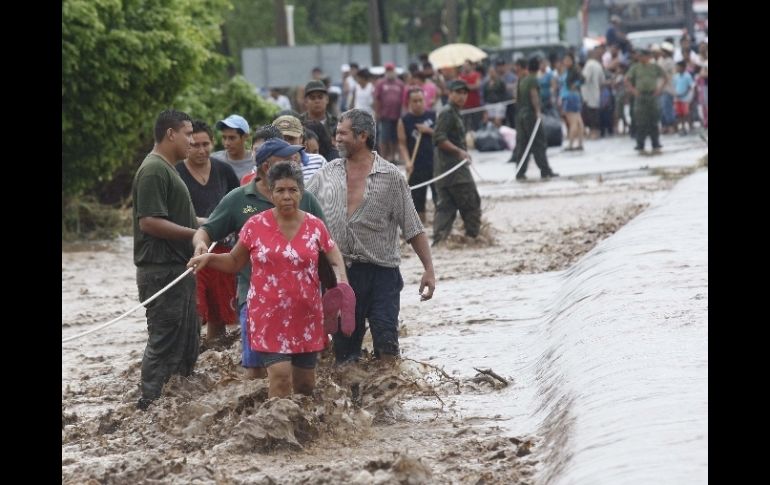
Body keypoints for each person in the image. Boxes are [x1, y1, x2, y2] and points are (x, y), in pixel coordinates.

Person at [189, 162, 347, 398]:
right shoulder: (255, 225)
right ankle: (276, 432)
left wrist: (341, 286)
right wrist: (209, 259)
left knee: (305, 386)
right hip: (268, 314)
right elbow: (234, 262)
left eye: (292, 190)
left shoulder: (315, 226)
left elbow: (334, 258)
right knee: (281, 376)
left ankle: (303, 431)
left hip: (306, 315)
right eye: (280, 190)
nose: (286, 196)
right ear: (271, 193)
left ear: (301, 193)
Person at [307, 109, 436, 364]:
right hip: (341, 275)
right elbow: (302, 216)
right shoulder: (326, 175)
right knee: (345, 355)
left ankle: (388, 401)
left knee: (387, 345)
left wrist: (429, 269)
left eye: (343, 133)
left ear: (362, 135)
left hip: (382, 275)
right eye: (336, 133)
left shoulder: (391, 177)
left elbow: (413, 228)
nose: (337, 139)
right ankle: (352, 402)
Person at [131, 109, 199, 410]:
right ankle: (149, 407)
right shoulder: (154, 170)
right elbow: (149, 222)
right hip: (162, 273)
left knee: (186, 345)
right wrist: (194, 235)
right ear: (170, 134)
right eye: (188, 134)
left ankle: (174, 410)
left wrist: (209, 227)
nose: (192, 141)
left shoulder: (169, 169)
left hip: (178, 271)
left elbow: (181, 218)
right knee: (164, 343)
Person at [175, 120, 240, 344]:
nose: (201, 150)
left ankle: (214, 354)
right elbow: (170, 214)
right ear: (186, 145)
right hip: (191, 250)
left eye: (206, 144)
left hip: (221, 251)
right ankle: (190, 355)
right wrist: (205, 222)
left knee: (220, 312)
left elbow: (239, 204)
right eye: (195, 145)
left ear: (213, 144)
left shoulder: (224, 170)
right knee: (194, 310)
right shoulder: (176, 173)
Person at [431, 79, 482, 245]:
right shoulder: (447, 113)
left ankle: (440, 242)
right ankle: (473, 238)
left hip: (445, 170)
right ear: (450, 94)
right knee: (471, 203)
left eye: (464, 93)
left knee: (446, 207)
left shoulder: (455, 112)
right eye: (458, 92)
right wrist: (459, 151)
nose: (462, 96)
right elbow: (439, 138)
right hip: (454, 171)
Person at [511, 57, 559, 180]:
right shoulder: (532, 80)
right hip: (530, 116)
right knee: (539, 142)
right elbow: (534, 96)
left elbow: (516, 98)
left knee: (522, 145)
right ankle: (545, 170)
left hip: (520, 117)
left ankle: (520, 172)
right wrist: (538, 112)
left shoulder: (521, 80)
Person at [397, 87, 437, 224]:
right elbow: (402, 144)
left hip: (434, 163)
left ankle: (440, 227)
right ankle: (421, 228)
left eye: (420, 100)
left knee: (439, 197)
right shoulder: (404, 120)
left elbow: (442, 136)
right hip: (416, 165)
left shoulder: (433, 115)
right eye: (415, 101)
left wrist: (428, 130)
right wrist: (407, 161)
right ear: (409, 102)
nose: (418, 103)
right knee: (417, 200)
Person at [626, 49, 666, 154]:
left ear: (648, 57)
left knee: (654, 119)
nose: (640, 58)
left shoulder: (654, 67)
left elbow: (665, 77)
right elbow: (627, 79)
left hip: (652, 95)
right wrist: (633, 90)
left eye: (643, 56)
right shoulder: (635, 67)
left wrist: (659, 89)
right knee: (641, 121)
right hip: (640, 96)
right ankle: (640, 144)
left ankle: (655, 143)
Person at [272, 114, 327, 182]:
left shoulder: (318, 161)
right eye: (281, 139)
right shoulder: (267, 164)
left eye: (291, 138)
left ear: (301, 139)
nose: (286, 143)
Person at [373, 63, 405, 162]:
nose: (390, 72)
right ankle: (383, 157)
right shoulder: (381, 83)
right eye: (388, 70)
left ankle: (393, 156)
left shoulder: (400, 83)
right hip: (384, 115)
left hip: (397, 115)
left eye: (391, 70)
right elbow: (376, 99)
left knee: (395, 137)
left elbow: (403, 99)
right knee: (384, 137)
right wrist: (377, 113)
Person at [211, 114, 253, 180]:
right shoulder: (213, 160)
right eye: (224, 138)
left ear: (245, 137)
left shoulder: (256, 162)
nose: (227, 143)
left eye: (232, 138)